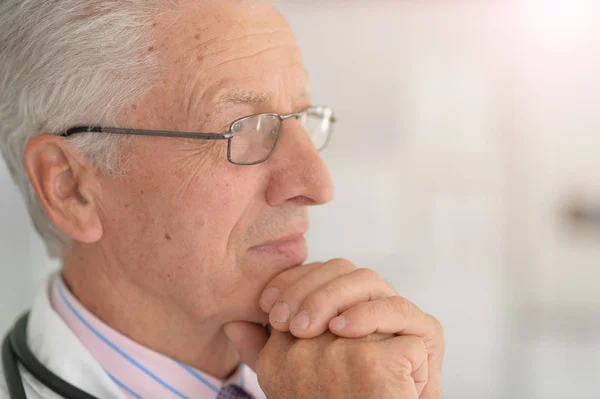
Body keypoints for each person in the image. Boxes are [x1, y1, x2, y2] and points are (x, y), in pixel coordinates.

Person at [0, 0, 444, 398]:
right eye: (243, 127)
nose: (317, 185)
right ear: (71, 188)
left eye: (300, 115)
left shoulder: (370, 377)